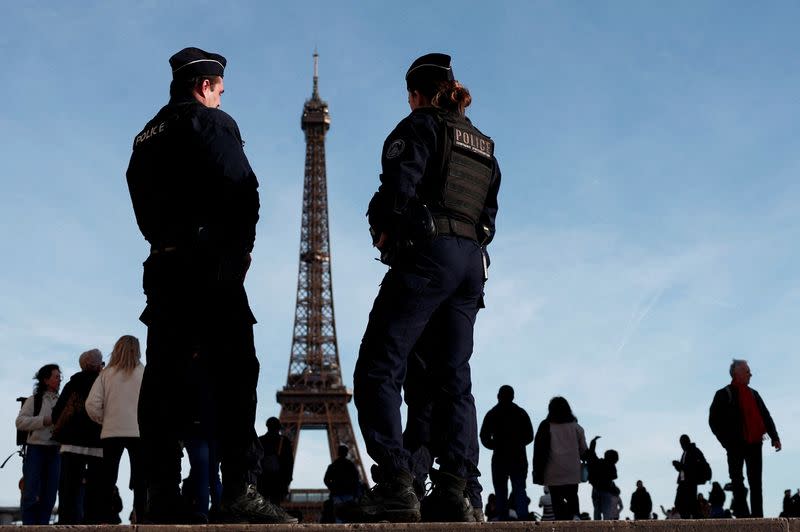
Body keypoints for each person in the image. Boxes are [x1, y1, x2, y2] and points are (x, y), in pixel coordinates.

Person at [125, 47, 295, 524]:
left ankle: (160, 493)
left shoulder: (145, 135)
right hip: (211, 269)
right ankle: (239, 487)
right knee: (237, 374)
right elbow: (243, 189)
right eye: (219, 91)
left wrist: (165, 239)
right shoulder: (212, 123)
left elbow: (139, 197)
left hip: (163, 267)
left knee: (162, 380)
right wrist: (238, 253)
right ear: (205, 87)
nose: (220, 98)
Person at [349, 52, 500, 523]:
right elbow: (489, 218)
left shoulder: (418, 126)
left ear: (416, 93)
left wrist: (387, 228)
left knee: (381, 363)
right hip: (472, 261)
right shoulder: (484, 144)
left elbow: (398, 189)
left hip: (429, 255)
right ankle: (457, 488)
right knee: (453, 377)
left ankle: (397, 480)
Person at [86, 335, 147, 523]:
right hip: (138, 432)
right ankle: (142, 517)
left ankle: (104, 518)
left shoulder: (106, 374)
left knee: (107, 478)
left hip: (111, 432)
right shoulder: (144, 373)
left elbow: (91, 404)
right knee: (141, 478)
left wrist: (104, 420)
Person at [709, 359, 780, 518]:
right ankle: (742, 517)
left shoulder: (754, 394)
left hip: (755, 443)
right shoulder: (723, 394)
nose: (750, 374)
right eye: (747, 371)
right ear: (737, 373)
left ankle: (757, 517)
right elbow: (714, 420)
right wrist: (726, 442)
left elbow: (765, 416)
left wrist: (775, 437)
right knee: (737, 481)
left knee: (756, 483)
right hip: (735, 444)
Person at [51, 349, 104, 523]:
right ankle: (92, 523)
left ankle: (66, 523)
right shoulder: (102, 383)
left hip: (71, 443)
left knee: (68, 488)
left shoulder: (72, 384)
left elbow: (56, 413)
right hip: (97, 444)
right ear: (96, 366)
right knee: (95, 489)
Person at [15, 364, 62, 524]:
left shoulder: (62, 401)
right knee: (30, 492)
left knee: (50, 494)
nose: (59, 379)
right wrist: (44, 421)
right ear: (46, 380)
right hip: (36, 449)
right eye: (56, 376)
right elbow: (20, 422)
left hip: (55, 450)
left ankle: (42, 526)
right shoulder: (34, 400)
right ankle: (29, 527)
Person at [479, 385, 533, 521]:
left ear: (498, 396)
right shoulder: (521, 413)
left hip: (499, 457)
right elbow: (529, 436)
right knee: (519, 489)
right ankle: (523, 519)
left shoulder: (493, 413)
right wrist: (518, 443)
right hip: (518, 457)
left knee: (501, 491)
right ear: (513, 396)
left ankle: (503, 519)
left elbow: (484, 436)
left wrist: (495, 445)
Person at [531, 396, 588, 521]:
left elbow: (538, 451)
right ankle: (575, 517)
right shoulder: (576, 428)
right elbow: (584, 451)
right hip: (572, 472)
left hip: (552, 472)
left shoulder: (546, 426)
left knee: (557, 502)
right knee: (573, 497)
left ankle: (561, 523)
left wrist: (537, 472)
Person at [257, 417, 294, 505]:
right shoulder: (284, 441)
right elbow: (289, 463)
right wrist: (288, 479)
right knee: (276, 503)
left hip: (263, 478)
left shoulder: (260, 440)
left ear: (267, 426)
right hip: (278, 479)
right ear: (279, 427)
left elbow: (255, 459)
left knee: (262, 504)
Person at [672, 434, 708, 518]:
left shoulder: (693, 451)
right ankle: (690, 519)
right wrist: (678, 466)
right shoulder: (686, 452)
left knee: (688, 504)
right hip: (683, 482)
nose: (681, 445)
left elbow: (691, 468)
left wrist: (679, 465)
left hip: (690, 482)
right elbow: (684, 468)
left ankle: (694, 520)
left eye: (682, 443)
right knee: (681, 503)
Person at [584, 436, 619, 520]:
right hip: (606, 490)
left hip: (596, 489)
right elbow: (614, 476)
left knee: (597, 510)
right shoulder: (611, 466)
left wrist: (593, 442)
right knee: (606, 511)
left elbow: (592, 453)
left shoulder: (598, 462)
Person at [325, 445, 362, 522]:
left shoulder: (333, 466)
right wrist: (356, 494)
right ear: (347, 453)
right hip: (349, 494)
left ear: (338, 452)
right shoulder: (351, 465)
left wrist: (332, 488)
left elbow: (326, 479)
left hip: (337, 494)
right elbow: (357, 480)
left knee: (338, 517)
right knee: (349, 516)